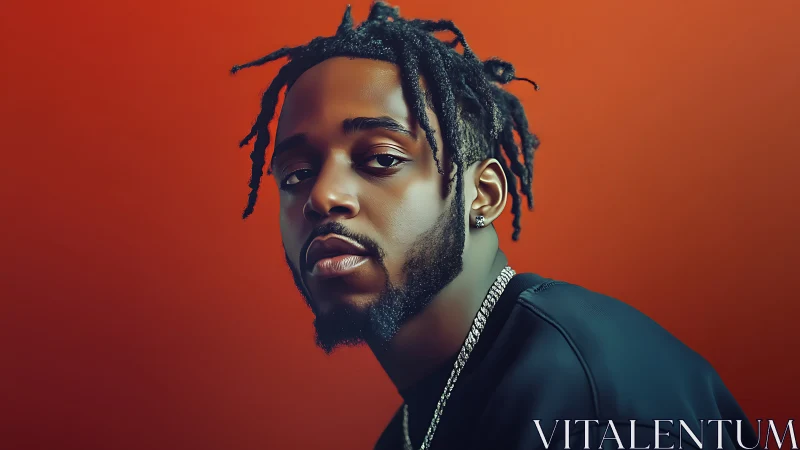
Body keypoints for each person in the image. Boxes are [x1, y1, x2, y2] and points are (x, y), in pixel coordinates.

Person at [230, 3, 761, 449]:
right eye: (296, 174)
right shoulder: (417, 425)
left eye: (382, 159)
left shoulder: (587, 396)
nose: (322, 196)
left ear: (481, 195)